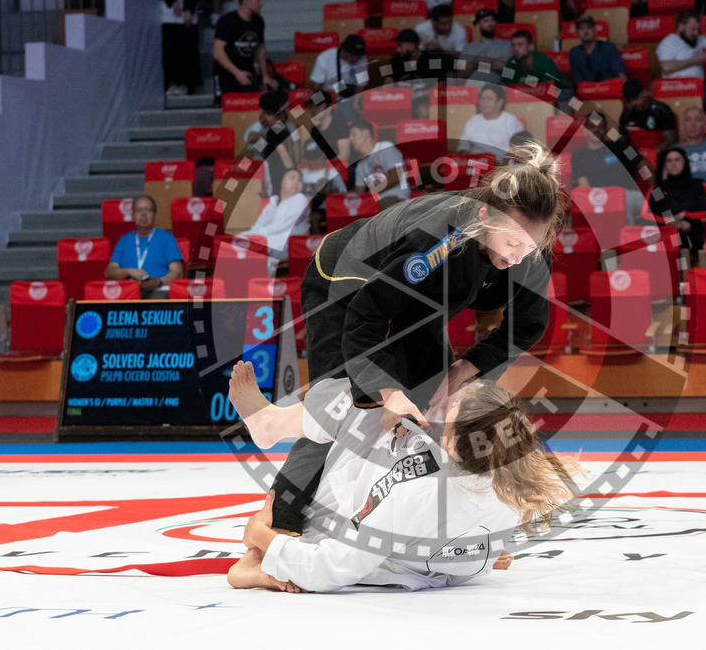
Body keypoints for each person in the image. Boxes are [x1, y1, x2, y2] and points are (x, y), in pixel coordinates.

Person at [266, 142, 568, 535]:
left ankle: (456, 524)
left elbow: (528, 325)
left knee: (438, 404)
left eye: (528, 247)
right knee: (341, 408)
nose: (517, 257)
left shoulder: (529, 240)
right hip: (345, 282)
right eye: (511, 244)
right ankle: (276, 526)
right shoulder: (440, 240)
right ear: (484, 217)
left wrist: (466, 368)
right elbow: (368, 314)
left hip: (418, 301)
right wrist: (388, 392)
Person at [225, 363, 584, 593]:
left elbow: (328, 567)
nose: (446, 406)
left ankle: (268, 424)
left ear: (453, 441)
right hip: (429, 557)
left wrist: (262, 537)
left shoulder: (417, 493)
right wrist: (482, 556)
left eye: (453, 410)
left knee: (361, 402)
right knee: (401, 414)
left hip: (347, 536)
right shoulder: (513, 467)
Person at [105, 195, 184, 297]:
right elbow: (109, 272)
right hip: (128, 293)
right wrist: (130, 271)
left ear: (154, 215)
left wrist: (158, 282)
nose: (143, 214)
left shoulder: (166, 238)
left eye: (148, 210)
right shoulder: (124, 240)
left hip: (158, 291)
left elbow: (177, 272)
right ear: (133, 215)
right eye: (139, 210)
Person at [571, 112, 641, 223]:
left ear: (606, 129)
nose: (596, 131)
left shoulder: (622, 146)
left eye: (600, 127)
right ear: (586, 130)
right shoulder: (578, 155)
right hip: (601, 198)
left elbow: (642, 164)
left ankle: (628, 237)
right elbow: (584, 186)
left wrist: (652, 188)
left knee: (625, 201)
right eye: (592, 127)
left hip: (626, 194)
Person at [647, 147, 706, 257]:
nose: (673, 164)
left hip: (692, 229)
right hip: (664, 232)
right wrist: (677, 222)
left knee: (685, 235)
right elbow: (649, 216)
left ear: (685, 162)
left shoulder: (698, 186)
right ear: (665, 165)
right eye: (669, 161)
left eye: (677, 160)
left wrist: (685, 215)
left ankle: (684, 267)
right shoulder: (658, 190)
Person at [212, 0, 272, 104]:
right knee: (227, 106)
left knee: (259, 103)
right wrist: (237, 73)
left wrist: (265, 75)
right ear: (246, 1)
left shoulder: (259, 21)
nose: (261, 3)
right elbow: (217, 52)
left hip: (248, 73)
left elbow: (261, 50)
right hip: (227, 74)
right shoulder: (227, 21)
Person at [242, 168, 311, 267]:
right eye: (292, 178)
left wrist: (254, 237)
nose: (296, 182)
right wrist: (246, 235)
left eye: (299, 180)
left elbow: (282, 224)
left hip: (288, 246)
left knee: (247, 248)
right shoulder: (272, 202)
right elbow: (258, 225)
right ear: (282, 181)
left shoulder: (300, 199)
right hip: (266, 242)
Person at [149, 0, 201, 96]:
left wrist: (189, 8)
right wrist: (172, 1)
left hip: (187, 9)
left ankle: (187, 84)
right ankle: (171, 82)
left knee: (188, 47)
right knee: (171, 47)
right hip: (167, 10)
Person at [246, 92, 300, 197]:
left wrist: (292, 175)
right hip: (276, 174)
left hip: (282, 177)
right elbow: (260, 149)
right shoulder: (271, 130)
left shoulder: (278, 130)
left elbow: (288, 157)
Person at [348, 119, 408, 208]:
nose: (350, 139)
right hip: (376, 205)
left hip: (397, 200)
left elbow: (396, 176)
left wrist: (371, 191)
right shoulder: (360, 166)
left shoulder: (385, 147)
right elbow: (359, 194)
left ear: (366, 133)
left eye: (353, 134)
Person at [457, 85, 524, 158]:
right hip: (477, 164)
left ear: (500, 102)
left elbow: (518, 149)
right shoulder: (473, 121)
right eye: (482, 98)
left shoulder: (510, 120)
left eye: (489, 98)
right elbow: (463, 147)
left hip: (503, 164)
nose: (484, 101)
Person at [618, 78, 678, 155]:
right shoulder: (626, 114)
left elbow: (670, 140)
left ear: (644, 93)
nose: (633, 103)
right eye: (629, 100)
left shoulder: (662, 110)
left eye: (635, 98)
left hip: (659, 157)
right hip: (635, 159)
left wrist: (651, 155)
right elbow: (622, 140)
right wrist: (633, 157)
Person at [568, 15, 627, 89]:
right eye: (581, 28)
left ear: (595, 30)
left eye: (589, 27)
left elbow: (620, 74)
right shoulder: (574, 53)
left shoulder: (609, 47)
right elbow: (577, 79)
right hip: (586, 93)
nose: (586, 31)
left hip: (609, 90)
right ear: (576, 33)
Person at [656, 9, 706, 80]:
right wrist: (695, 60)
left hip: (698, 86)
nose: (696, 33)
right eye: (693, 29)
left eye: (698, 29)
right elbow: (666, 67)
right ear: (681, 26)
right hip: (677, 87)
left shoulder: (698, 39)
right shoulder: (669, 42)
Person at [502, 29, 571, 89]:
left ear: (531, 46)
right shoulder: (510, 63)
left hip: (559, 90)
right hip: (527, 94)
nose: (516, 49)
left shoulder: (545, 61)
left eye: (520, 44)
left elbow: (550, 88)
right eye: (513, 45)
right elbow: (506, 85)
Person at [459, 8, 511, 85]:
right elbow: (460, 75)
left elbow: (510, 73)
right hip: (474, 86)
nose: (490, 23)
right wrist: (477, 61)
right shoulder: (467, 47)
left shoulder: (506, 45)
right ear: (478, 24)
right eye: (485, 21)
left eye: (492, 20)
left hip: (496, 87)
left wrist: (477, 64)